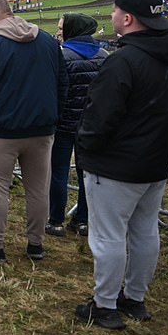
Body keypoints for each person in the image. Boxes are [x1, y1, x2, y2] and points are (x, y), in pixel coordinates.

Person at [74, 0, 168, 330]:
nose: (110, 17)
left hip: (115, 165)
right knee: (144, 231)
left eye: (113, 11)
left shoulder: (123, 61)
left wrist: (87, 148)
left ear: (127, 18)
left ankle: (105, 304)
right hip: (155, 160)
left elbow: (100, 116)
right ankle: (135, 298)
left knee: (108, 236)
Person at [0, 0, 68, 263]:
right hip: (42, 128)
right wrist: (53, 117)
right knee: (37, 188)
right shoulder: (47, 41)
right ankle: (36, 244)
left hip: (0, 130)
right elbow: (62, 84)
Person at [47, 13, 107, 238]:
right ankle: (82, 219)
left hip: (64, 123)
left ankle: (56, 220)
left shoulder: (61, 56)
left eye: (62, 27)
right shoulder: (104, 55)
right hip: (92, 124)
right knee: (87, 175)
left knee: (59, 172)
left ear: (72, 29)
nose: (59, 31)